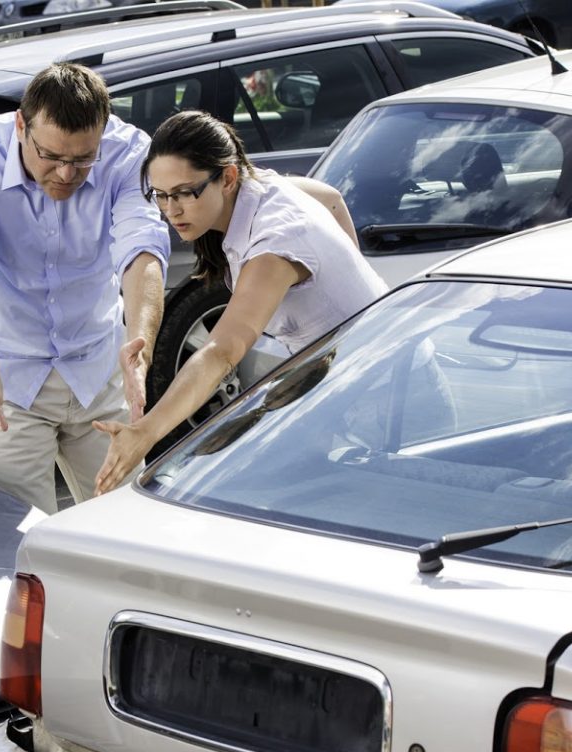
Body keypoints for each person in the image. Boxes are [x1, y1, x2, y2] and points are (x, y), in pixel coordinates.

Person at [92, 109, 385, 494]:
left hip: (385, 401)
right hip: (338, 384)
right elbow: (330, 199)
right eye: (160, 195)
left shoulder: (276, 241)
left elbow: (222, 350)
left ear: (227, 177)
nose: (171, 210)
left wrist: (145, 432)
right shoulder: (259, 186)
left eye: (184, 193)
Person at [0, 62, 169, 514]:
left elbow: (142, 250)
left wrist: (141, 345)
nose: (65, 174)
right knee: (16, 542)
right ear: (21, 125)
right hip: (3, 372)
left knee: (124, 525)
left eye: (83, 159)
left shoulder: (130, 151)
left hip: (98, 364)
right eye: (52, 157)